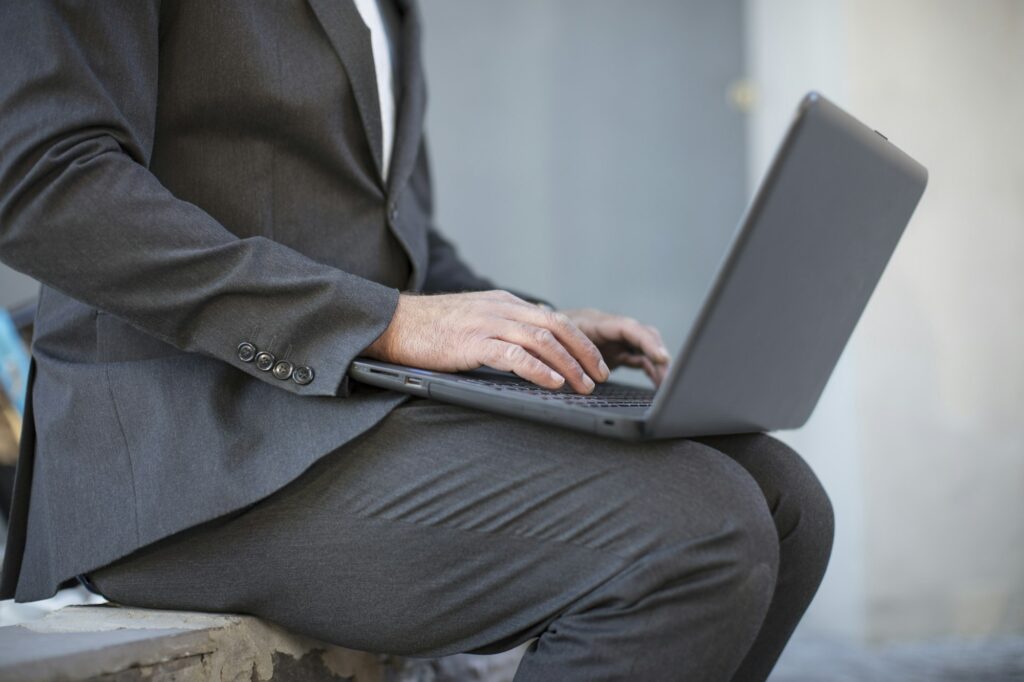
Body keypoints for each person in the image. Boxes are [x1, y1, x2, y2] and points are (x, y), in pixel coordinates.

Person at [0, 2, 833, 680]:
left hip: (345, 411)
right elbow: (39, 183)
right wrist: (390, 321)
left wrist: (532, 324)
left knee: (785, 501)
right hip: (179, 451)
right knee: (702, 527)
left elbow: (403, 248)